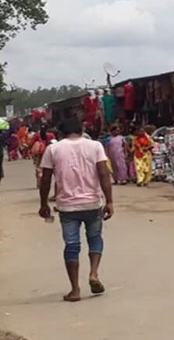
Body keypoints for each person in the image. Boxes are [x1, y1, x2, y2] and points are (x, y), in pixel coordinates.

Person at [38, 118, 114, 303]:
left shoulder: (53, 149)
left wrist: (43, 203)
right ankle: (94, 273)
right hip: (92, 203)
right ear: (81, 130)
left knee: (71, 246)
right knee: (95, 238)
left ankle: (75, 290)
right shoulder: (95, 146)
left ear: (61, 132)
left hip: (67, 206)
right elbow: (103, 173)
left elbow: (46, 179)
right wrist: (110, 201)